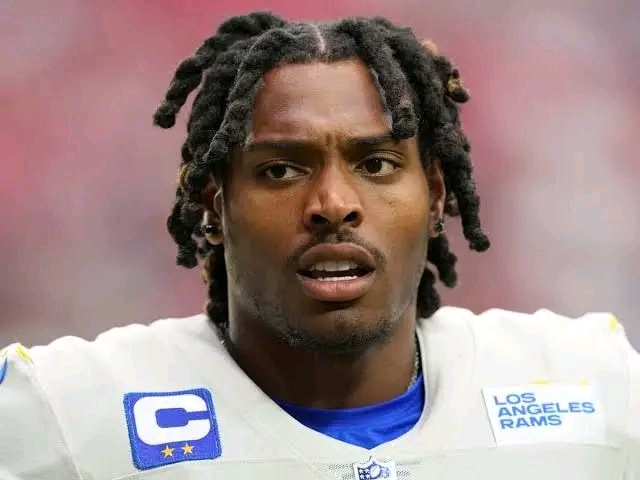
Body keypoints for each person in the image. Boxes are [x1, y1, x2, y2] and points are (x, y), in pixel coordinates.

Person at [0, 11, 637, 480]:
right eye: (281, 169)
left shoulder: (592, 384)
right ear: (214, 206)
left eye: (377, 164)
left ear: (437, 197)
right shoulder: (63, 412)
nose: (333, 204)